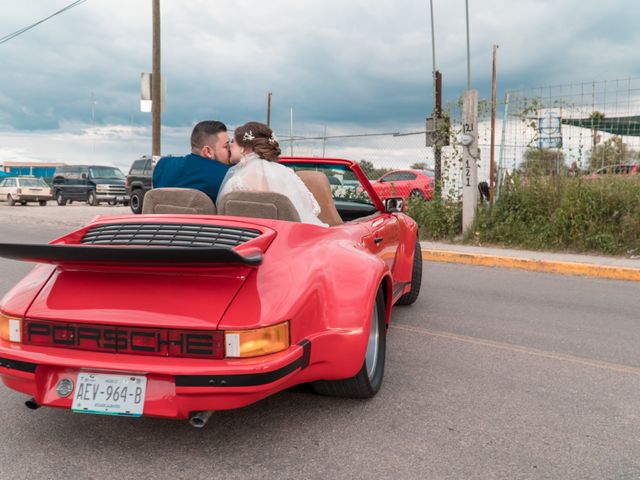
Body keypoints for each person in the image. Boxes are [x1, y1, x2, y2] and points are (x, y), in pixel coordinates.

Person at [217, 121, 328, 227]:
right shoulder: (287, 173)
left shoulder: (238, 178)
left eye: (232, 141)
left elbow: (222, 213)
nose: (229, 146)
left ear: (245, 148)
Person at [152, 120, 231, 202]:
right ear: (207, 151)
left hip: (163, 214)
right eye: (226, 146)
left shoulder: (163, 165)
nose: (230, 149)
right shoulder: (225, 174)